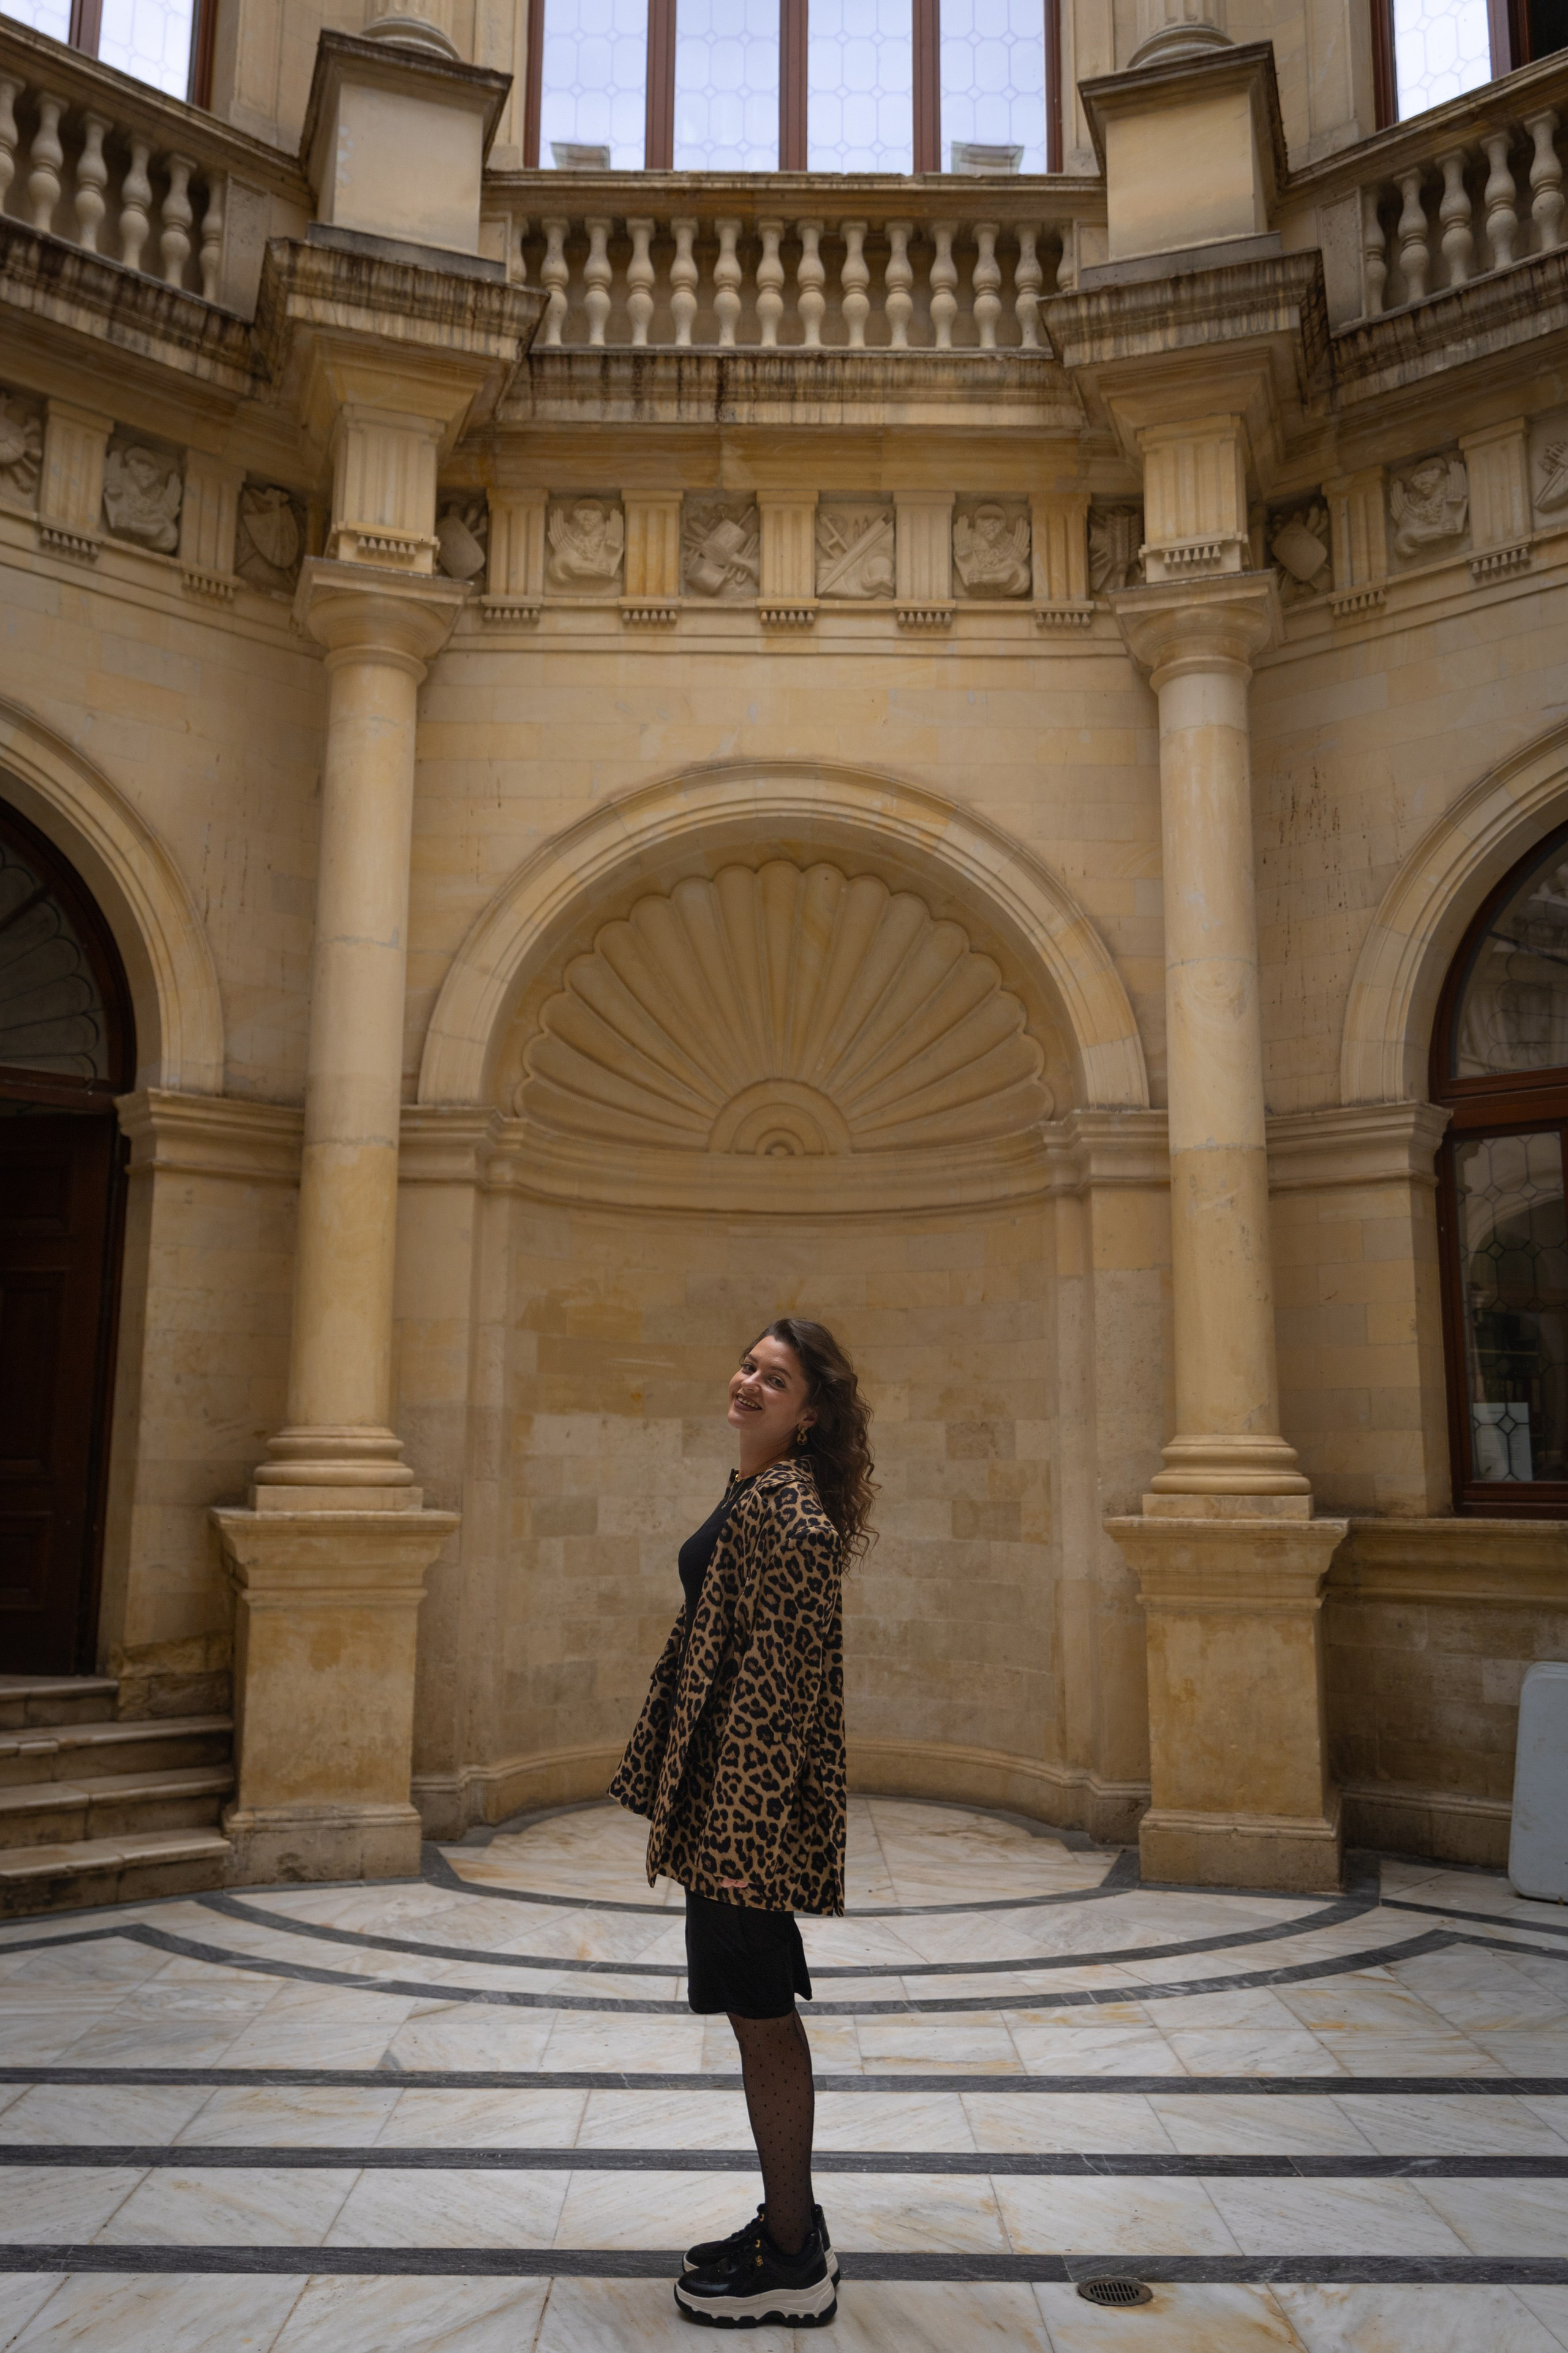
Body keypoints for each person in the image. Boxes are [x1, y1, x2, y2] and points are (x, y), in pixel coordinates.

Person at [609, 1317, 875, 2330]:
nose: (752, 1382)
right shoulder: (757, 1496)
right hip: (725, 1811)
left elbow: (783, 1700)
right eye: (750, 1366)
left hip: (743, 1823)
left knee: (763, 2014)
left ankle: (795, 2256)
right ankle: (788, 2223)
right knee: (754, 2010)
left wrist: (738, 1844)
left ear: (811, 1413)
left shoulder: (794, 1518)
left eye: (779, 1378)